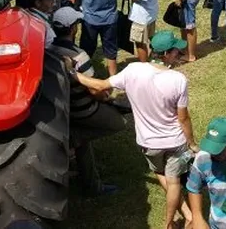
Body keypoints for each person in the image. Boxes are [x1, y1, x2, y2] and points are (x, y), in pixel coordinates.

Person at [74, 30, 197, 229]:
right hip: (175, 141)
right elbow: (183, 118)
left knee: (160, 172)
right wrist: (191, 143)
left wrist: (73, 74)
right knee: (174, 181)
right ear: (166, 54)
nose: (179, 54)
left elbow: (101, 85)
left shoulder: (132, 70)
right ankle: (169, 222)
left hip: (149, 143)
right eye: (176, 51)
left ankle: (185, 216)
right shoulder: (178, 79)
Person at [50, 7, 124, 197]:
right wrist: (106, 97)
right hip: (84, 110)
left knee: (84, 144)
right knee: (119, 122)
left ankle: (92, 185)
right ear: (73, 28)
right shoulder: (79, 55)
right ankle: (73, 138)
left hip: (62, 110)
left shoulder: (48, 50)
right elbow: (94, 91)